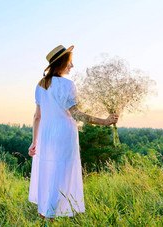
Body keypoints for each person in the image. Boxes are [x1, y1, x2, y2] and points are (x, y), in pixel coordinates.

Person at [27, 45, 119, 221]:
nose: (72, 66)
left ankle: (44, 212)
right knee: (61, 173)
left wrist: (34, 141)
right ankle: (50, 217)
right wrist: (104, 121)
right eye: (70, 62)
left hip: (46, 133)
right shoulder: (67, 84)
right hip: (63, 132)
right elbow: (76, 114)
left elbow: (37, 116)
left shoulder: (41, 84)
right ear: (61, 63)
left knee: (47, 169)